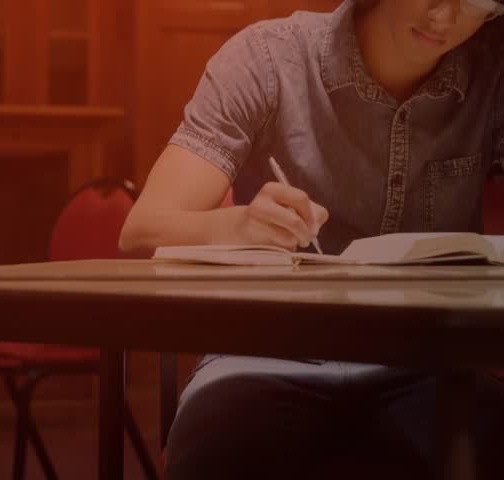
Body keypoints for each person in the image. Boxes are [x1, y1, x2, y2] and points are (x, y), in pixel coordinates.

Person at [119, 0, 504, 478]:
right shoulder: (268, 59)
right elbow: (142, 232)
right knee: (221, 448)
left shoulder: (492, 73)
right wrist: (238, 227)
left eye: (476, 2)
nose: (444, 18)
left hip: (426, 362)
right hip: (263, 352)